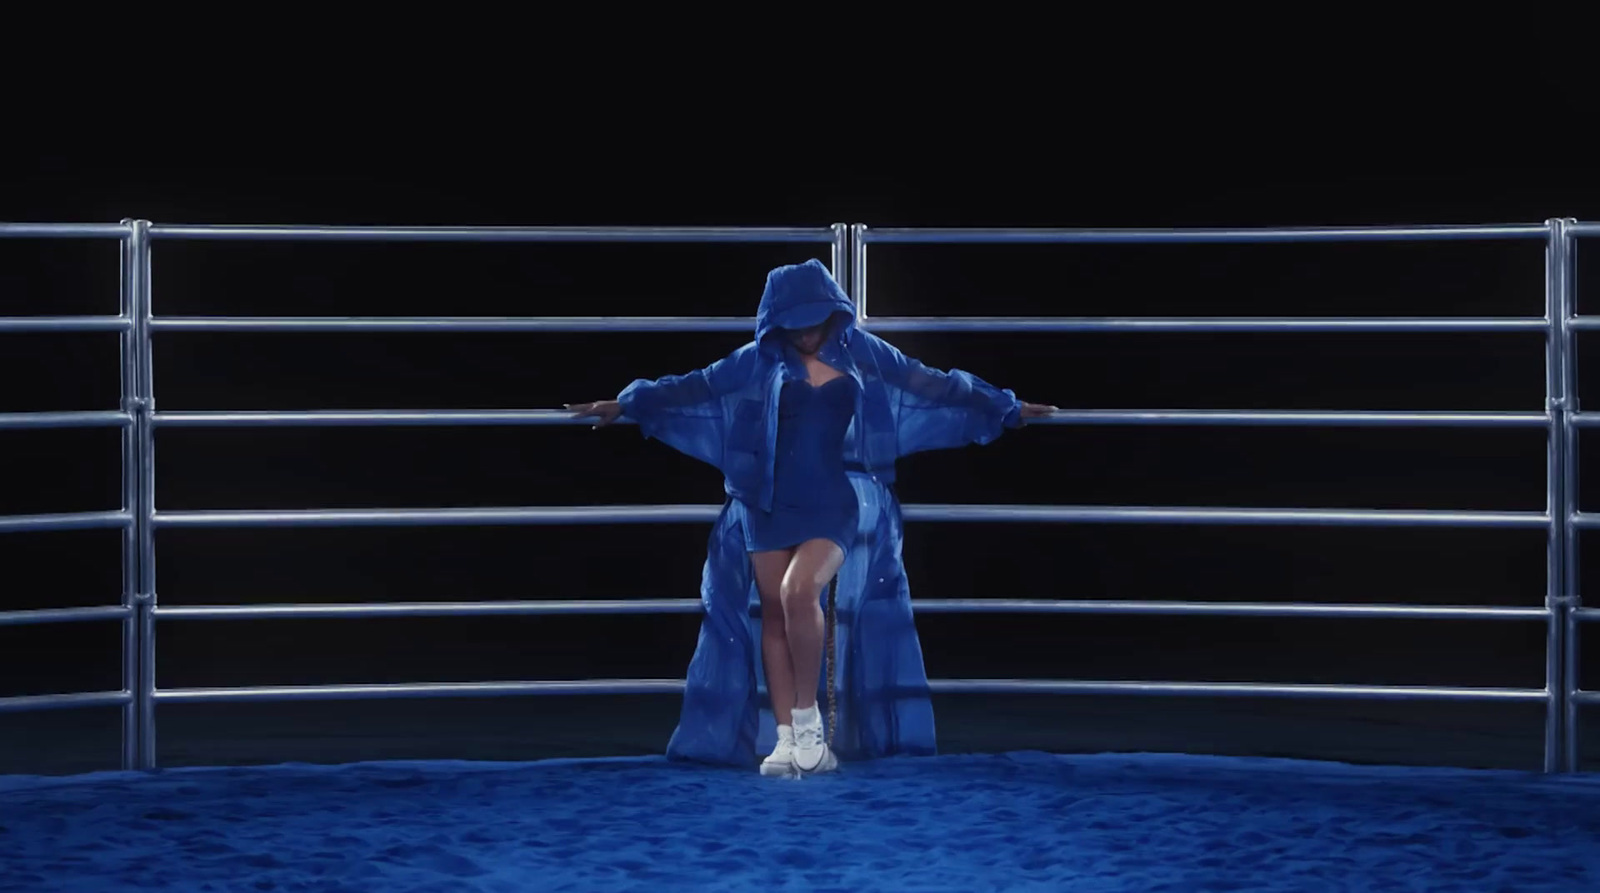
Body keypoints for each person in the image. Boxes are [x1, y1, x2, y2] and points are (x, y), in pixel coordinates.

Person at [568, 259, 1054, 777]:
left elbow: (929, 383)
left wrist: (1005, 405)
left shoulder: (862, 351)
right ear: (773, 319)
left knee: (800, 594)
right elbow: (692, 387)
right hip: (765, 504)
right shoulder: (755, 360)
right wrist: (626, 403)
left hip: (830, 502)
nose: (804, 332)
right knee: (774, 615)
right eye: (793, 322)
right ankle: (785, 741)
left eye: (814, 319)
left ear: (833, 314)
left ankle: (810, 729)